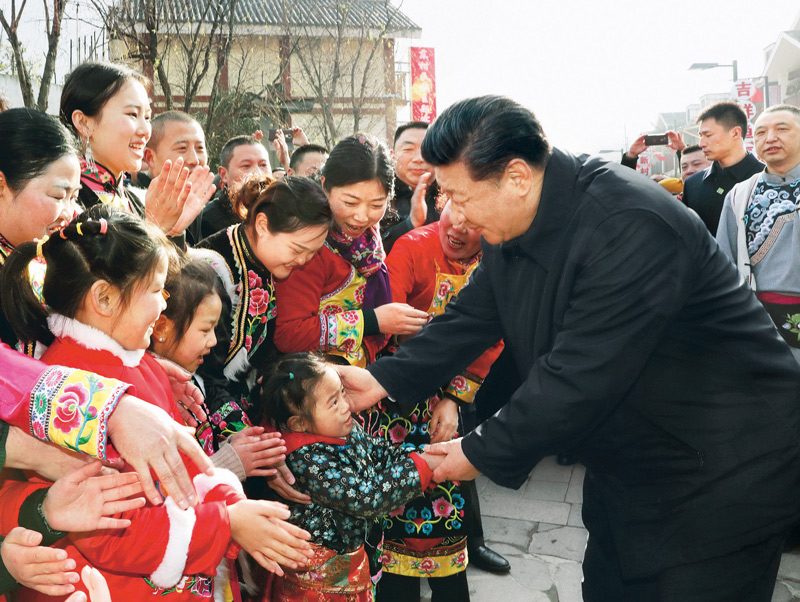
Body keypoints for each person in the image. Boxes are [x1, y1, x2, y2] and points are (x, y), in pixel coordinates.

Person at [336, 95, 800, 602]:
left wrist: (474, 452)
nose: (454, 216)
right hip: (633, 461)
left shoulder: (628, 222)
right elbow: (470, 317)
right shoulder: (511, 223)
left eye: (460, 197)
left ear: (516, 176)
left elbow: (579, 374)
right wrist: (383, 380)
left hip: (722, 467)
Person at [1, 206, 313, 601]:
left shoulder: (140, 365)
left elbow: (186, 467)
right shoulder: (72, 397)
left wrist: (232, 506)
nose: (165, 304)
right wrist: (225, 522)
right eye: (155, 290)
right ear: (104, 298)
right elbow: (112, 532)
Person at [375, 199, 507, 601]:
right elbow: (386, 328)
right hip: (394, 398)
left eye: (473, 223)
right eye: (454, 213)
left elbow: (491, 339)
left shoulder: (496, 263)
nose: (459, 229)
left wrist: (452, 399)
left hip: (445, 404)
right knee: (394, 501)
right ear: (440, 204)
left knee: (447, 497)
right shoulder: (412, 247)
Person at [255, 353, 440, 602]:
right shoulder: (308, 460)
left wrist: (426, 456)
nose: (346, 405)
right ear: (298, 423)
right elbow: (366, 497)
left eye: (343, 392)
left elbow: (380, 452)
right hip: (319, 584)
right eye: (333, 402)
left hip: (350, 568)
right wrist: (421, 468)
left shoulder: (342, 429)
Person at [192, 176, 331, 448]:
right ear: (263, 225)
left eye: (312, 253)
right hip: (202, 407)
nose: (303, 262)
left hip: (245, 405)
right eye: (298, 249)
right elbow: (204, 376)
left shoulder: (267, 260)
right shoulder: (211, 268)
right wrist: (256, 442)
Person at [273, 133, 428, 368]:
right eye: (350, 203)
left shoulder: (369, 238)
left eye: (377, 204)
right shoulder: (308, 245)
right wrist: (371, 321)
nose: (362, 216)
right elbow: (288, 334)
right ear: (325, 185)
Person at [151, 257, 288, 476]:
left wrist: (237, 443)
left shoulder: (193, 376)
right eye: (206, 330)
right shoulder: (148, 394)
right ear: (161, 329)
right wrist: (228, 461)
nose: (214, 341)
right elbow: (166, 483)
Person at [60, 62, 214, 240]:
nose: (145, 131)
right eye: (133, 114)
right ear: (83, 122)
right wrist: (156, 229)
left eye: (147, 117)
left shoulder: (136, 200)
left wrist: (174, 232)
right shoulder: (66, 202)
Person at [716, 104, 800, 363]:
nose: (770, 138)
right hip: (759, 318)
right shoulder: (739, 194)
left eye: (782, 129)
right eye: (761, 132)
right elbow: (724, 263)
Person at [0, 108, 81, 354]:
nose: (70, 212)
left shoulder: (52, 261)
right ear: (2, 186)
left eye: (74, 197)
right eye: (58, 196)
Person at [682, 101, 765, 234]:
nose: (702, 143)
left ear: (735, 133)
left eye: (708, 135)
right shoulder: (693, 184)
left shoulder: (768, 179)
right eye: (701, 136)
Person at [198, 135, 272, 241]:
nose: (258, 173)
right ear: (224, 174)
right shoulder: (208, 220)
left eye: (263, 165)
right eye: (246, 166)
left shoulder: (279, 209)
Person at [381, 122, 440, 253]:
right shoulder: (380, 194)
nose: (419, 159)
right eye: (408, 149)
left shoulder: (451, 194)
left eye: (427, 150)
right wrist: (411, 223)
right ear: (393, 155)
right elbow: (371, 250)